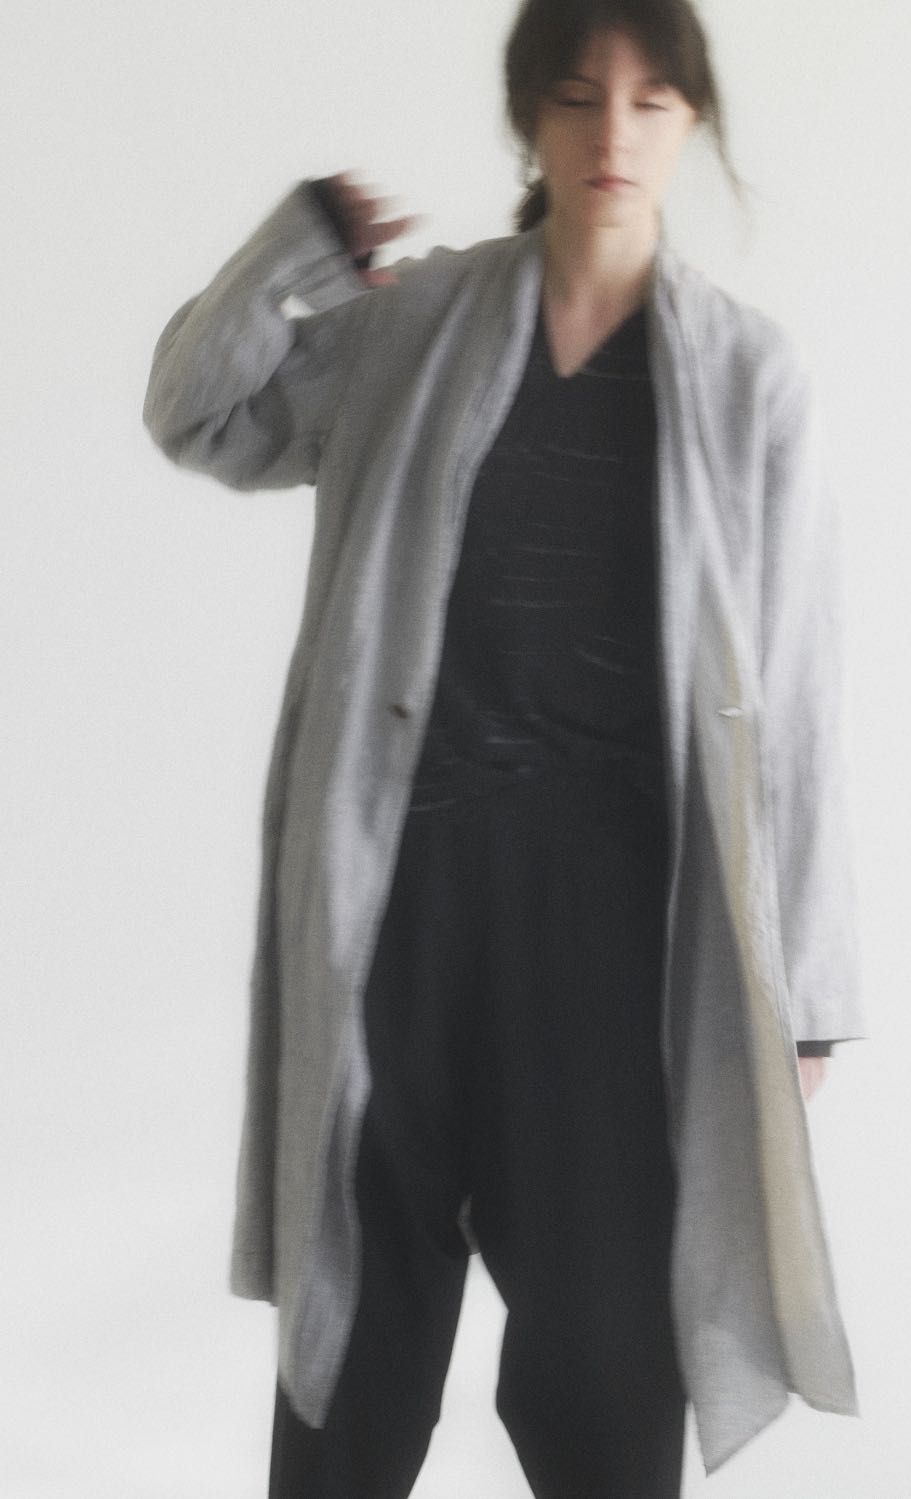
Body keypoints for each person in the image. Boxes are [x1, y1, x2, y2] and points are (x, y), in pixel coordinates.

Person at [143, 0, 866, 1493]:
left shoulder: (750, 378)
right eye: (580, 97)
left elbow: (795, 697)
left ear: (692, 122)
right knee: (352, 1375)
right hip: (401, 917)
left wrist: (806, 999)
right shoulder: (414, 328)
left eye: (652, 102)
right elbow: (200, 414)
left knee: (607, 1390)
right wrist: (293, 255)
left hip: (615, 949)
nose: (614, 134)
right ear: (530, 116)